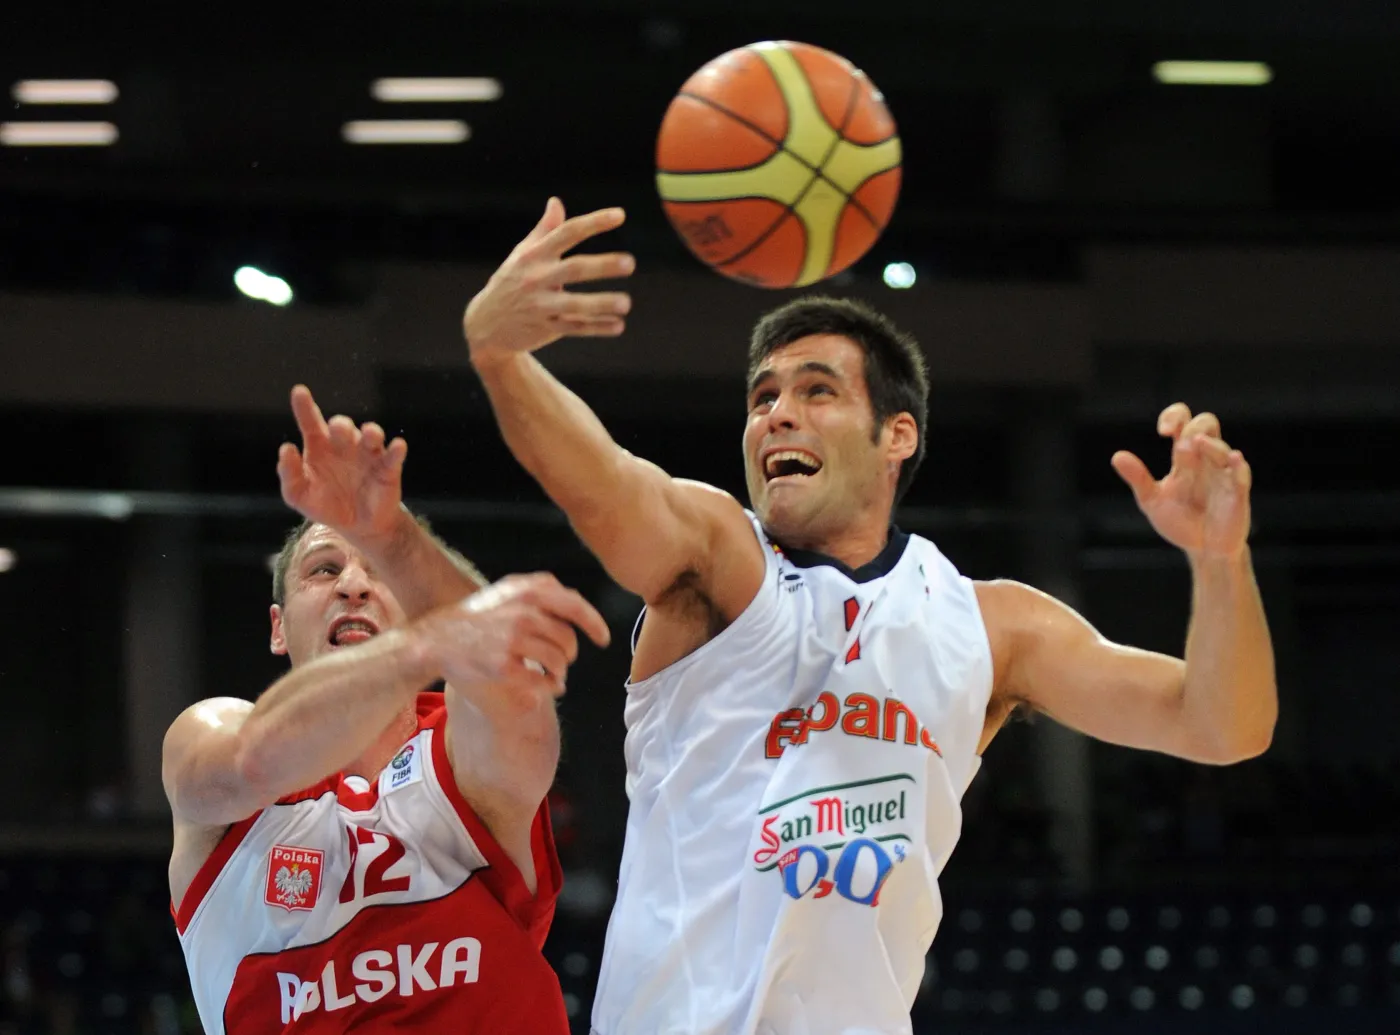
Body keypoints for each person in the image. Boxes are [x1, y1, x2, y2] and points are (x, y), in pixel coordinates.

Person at [462, 198, 1279, 1035]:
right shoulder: (719, 560)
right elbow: (602, 484)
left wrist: (1221, 561)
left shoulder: (992, 625)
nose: (777, 413)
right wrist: (502, 360)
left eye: (817, 391)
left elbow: (1222, 726)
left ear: (898, 436)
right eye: (763, 397)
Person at [163, 385, 610, 1034]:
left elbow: (512, 693)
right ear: (278, 627)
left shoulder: (457, 755)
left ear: (411, 604)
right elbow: (252, 760)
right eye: (324, 569)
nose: (353, 583)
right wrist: (424, 642)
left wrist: (396, 535)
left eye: (376, 569)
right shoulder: (207, 733)